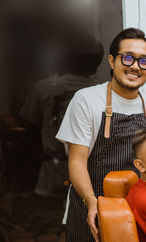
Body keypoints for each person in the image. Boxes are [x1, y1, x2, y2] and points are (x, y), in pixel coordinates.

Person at [56, 28, 146, 242]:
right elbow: (76, 160)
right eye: (127, 57)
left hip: (137, 209)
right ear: (112, 60)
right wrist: (91, 201)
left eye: (143, 61)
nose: (135, 66)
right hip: (90, 206)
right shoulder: (86, 100)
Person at [20, 33, 104, 197]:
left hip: (54, 169)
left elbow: (29, 128)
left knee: (49, 220)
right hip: (94, 171)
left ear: (65, 60)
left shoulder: (45, 88)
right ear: (98, 61)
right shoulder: (106, 90)